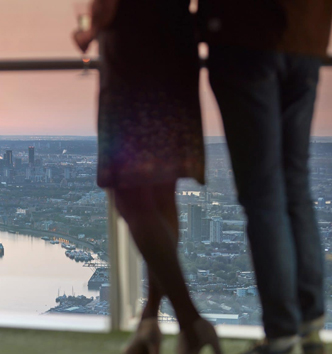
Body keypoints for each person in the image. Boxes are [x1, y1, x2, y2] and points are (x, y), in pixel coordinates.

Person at [74, 1, 221, 353]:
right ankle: (150, 322)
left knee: (128, 195)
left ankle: (191, 322)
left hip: (131, 54)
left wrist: (89, 31)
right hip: (175, 47)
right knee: (160, 191)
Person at [199, 0, 332, 353]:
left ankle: (283, 331)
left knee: (263, 194)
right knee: (295, 185)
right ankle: (309, 323)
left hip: (246, 35)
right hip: (306, 36)